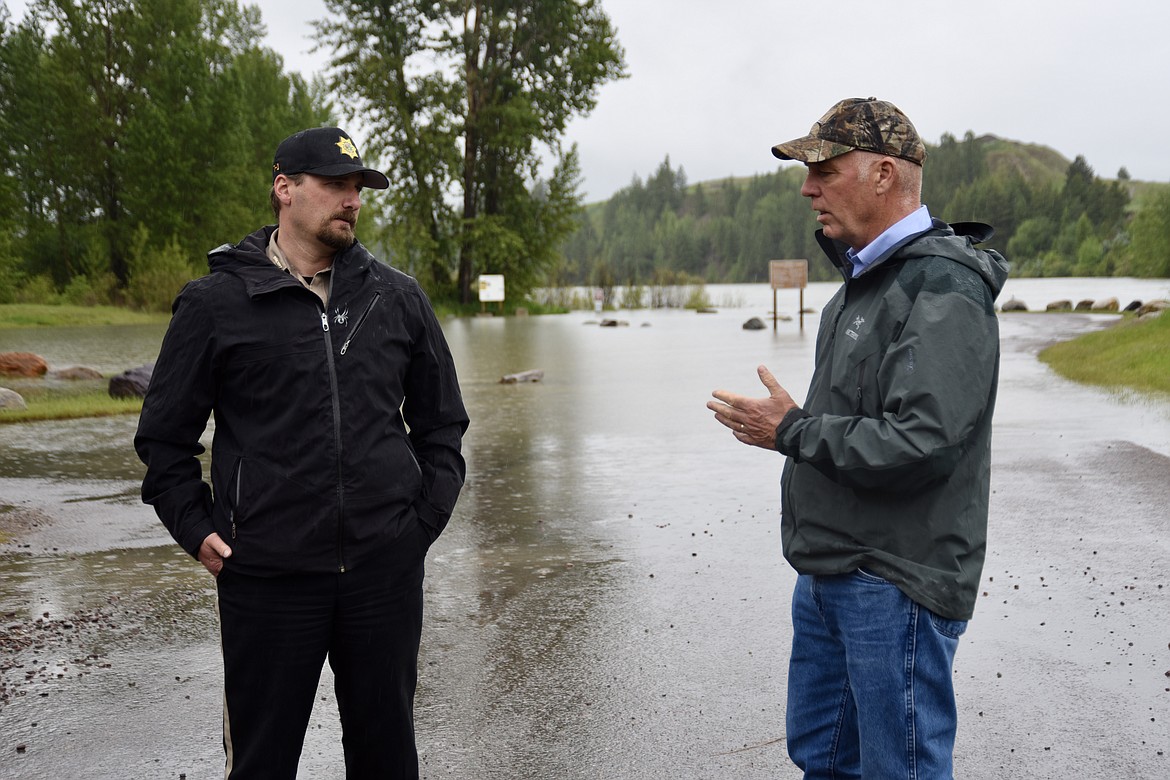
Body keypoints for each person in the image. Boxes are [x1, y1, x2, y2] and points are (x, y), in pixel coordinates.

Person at [135, 126, 469, 779]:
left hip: (383, 573)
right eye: (335, 185)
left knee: (387, 758)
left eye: (358, 188)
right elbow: (165, 440)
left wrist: (419, 525)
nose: (351, 200)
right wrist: (196, 526)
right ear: (284, 188)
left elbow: (442, 424)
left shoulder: (396, 298)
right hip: (266, 576)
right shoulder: (216, 303)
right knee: (262, 762)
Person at [707, 98, 1009, 779]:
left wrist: (791, 430)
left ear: (882, 174)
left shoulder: (942, 286)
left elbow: (923, 442)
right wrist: (795, 433)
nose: (808, 188)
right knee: (823, 760)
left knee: (898, 769)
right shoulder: (856, 290)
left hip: (894, 578)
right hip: (831, 572)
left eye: (824, 170)